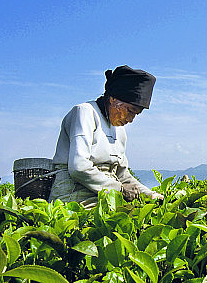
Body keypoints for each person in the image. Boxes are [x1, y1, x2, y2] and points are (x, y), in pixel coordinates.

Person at [48, 65, 164, 207]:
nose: (131, 119)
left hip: (107, 195)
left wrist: (149, 194)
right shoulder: (84, 112)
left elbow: (122, 174)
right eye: (130, 111)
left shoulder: (119, 128)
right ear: (113, 100)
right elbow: (79, 167)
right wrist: (119, 190)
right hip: (75, 194)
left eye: (136, 114)